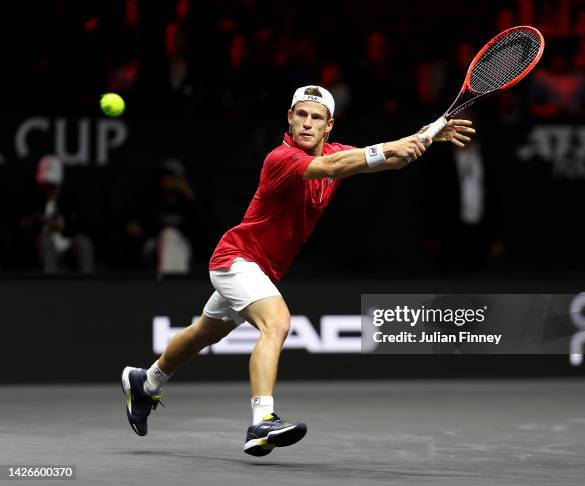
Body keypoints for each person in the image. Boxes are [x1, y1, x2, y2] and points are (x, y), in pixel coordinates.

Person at [121, 86, 475, 455]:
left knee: (201, 335)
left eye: (316, 118)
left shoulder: (338, 152)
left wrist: (429, 134)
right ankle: (261, 422)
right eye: (301, 115)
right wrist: (391, 149)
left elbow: (392, 158)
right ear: (289, 118)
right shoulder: (281, 158)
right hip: (236, 259)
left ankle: (145, 381)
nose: (307, 123)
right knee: (277, 323)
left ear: (329, 126)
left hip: (262, 269)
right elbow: (335, 166)